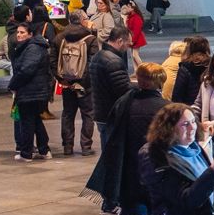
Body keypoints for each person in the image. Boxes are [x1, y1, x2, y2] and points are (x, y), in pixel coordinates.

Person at [86, 63, 167, 215]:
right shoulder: (166, 108)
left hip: (127, 170)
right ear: (160, 82)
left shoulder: (124, 103)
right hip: (156, 171)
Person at [140, 103, 214, 215]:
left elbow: (200, 180)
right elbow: (186, 199)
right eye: (185, 124)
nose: (192, 128)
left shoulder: (193, 148)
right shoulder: (156, 157)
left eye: (194, 122)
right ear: (169, 129)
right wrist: (213, 172)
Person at [51, 10, 96, 156]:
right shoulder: (90, 38)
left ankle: (67, 146)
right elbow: (93, 63)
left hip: (67, 83)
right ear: (83, 20)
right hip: (85, 85)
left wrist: (61, 79)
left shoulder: (59, 38)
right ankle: (86, 147)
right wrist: (85, 81)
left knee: (68, 114)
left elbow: (52, 61)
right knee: (88, 114)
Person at [8, 21, 54, 162]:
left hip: (32, 91)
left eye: (23, 32)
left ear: (31, 34)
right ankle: (44, 150)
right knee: (35, 120)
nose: (19, 35)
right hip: (33, 90)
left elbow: (26, 70)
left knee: (27, 121)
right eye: (18, 32)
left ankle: (26, 153)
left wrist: (13, 84)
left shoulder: (33, 48)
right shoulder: (28, 47)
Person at [87, 27, 133, 166]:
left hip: (101, 112)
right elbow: (122, 90)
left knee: (107, 151)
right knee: (113, 157)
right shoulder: (113, 61)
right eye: (128, 44)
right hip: (111, 114)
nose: (128, 48)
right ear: (120, 41)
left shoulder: (99, 56)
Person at [171, 35, 211, 106]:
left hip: (189, 108)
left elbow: (177, 95)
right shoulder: (213, 65)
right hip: (209, 106)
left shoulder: (185, 67)